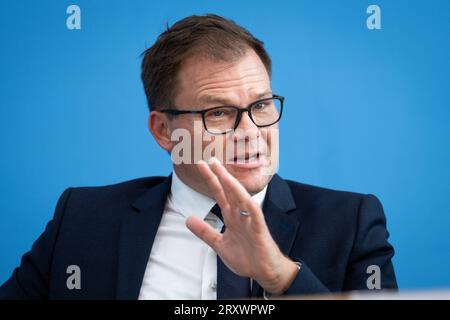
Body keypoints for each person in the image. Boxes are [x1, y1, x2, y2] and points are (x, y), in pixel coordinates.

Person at [0, 14, 397, 300]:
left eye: (261, 106)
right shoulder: (83, 219)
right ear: (163, 130)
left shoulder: (351, 222)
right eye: (218, 113)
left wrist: (282, 276)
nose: (251, 133)